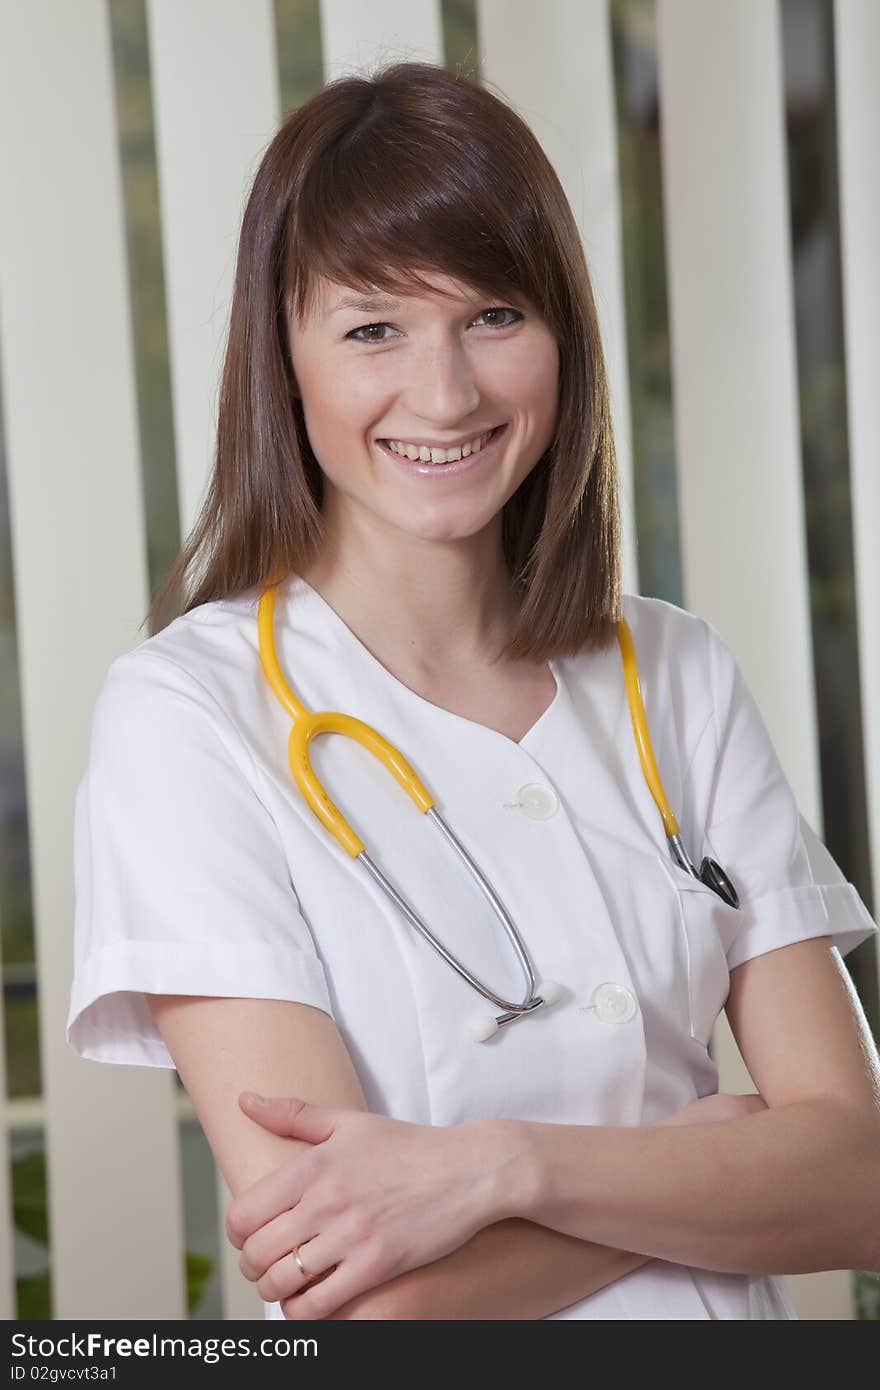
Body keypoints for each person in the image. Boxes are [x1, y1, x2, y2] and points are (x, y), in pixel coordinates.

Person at [66, 60, 880, 1321]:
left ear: (564, 335)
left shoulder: (675, 672)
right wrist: (710, 1155)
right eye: (373, 327)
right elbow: (361, 1298)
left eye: (494, 316)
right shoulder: (191, 717)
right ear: (284, 359)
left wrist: (506, 1166)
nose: (445, 394)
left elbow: (862, 1180)